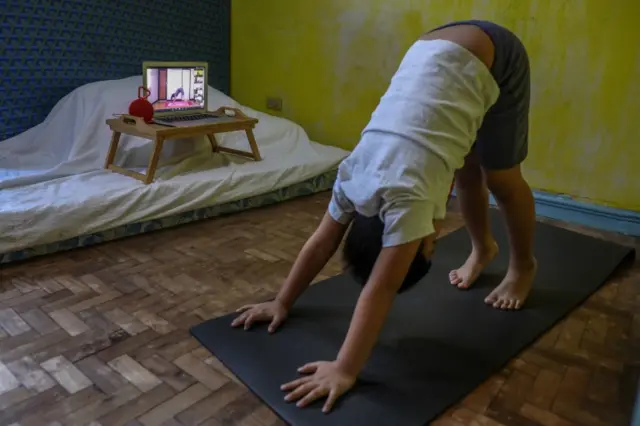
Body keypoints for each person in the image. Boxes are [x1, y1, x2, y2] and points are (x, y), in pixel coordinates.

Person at [231, 20, 536, 413]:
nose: (433, 236)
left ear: (422, 241)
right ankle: (483, 249)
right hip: (430, 47)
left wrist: (344, 368)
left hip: (495, 53)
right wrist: (281, 302)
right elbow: (322, 240)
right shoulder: (351, 175)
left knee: (502, 178)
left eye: (427, 244)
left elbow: (380, 287)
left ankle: (523, 266)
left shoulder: (409, 203)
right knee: (464, 166)